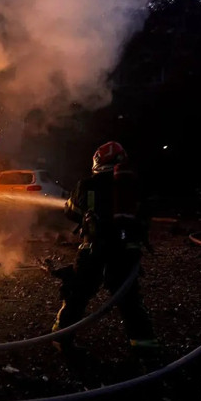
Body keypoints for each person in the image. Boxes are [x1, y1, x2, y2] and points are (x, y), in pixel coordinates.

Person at [51, 141, 159, 354]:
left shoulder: (87, 185)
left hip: (92, 250)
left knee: (77, 295)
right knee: (129, 300)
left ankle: (61, 339)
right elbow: (144, 215)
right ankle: (146, 349)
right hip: (124, 251)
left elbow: (71, 212)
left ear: (98, 162)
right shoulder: (131, 184)